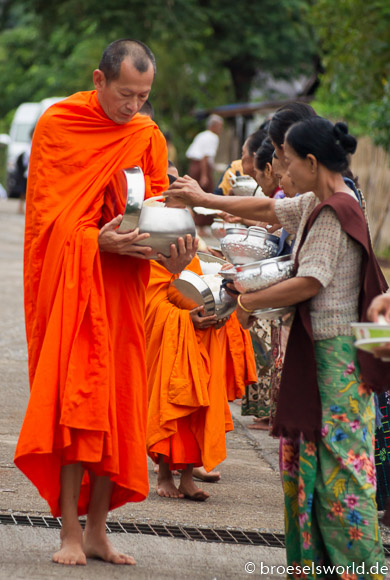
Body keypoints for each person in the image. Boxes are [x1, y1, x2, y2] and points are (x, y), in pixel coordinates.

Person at [168, 117, 390, 576]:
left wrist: (244, 302)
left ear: (311, 163)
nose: (280, 170)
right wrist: (202, 198)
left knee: (341, 477)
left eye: (286, 160)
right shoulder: (318, 199)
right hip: (321, 359)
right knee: (312, 471)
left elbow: (309, 282)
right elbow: (268, 211)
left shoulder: (334, 212)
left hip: (337, 363)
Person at [14, 38, 196, 567]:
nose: (133, 107)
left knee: (114, 407)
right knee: (74, 406)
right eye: (125, 94)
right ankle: (68, 531)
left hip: (121, 291)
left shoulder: (146, 135)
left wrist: (177, 250)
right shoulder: (59, 126)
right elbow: (45, 223)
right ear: (98, 80)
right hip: (73, 287)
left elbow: (158, 208)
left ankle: (97, 530)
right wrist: (95, 240)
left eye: (143, 96)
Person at [145, 253, 256, 500]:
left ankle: (186, 479)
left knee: (200, 410)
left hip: (203, 343)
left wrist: (219, 313)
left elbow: (213, 293)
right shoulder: (154, 260)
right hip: (171, 347)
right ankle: (164, 475)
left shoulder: (194, 261)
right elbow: (151, 307)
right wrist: (185, 319)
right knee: (173, 407)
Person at [186, 114, 224, 192]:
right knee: (207, 193)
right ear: (213, 126)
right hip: (202, 167)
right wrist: (204, 176)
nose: (221, 129)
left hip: (194, 166)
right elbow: (204, 157)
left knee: (193, 192)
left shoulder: (201, 135)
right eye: (220, 126)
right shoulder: (213, 137)